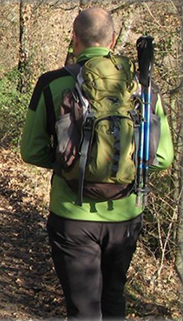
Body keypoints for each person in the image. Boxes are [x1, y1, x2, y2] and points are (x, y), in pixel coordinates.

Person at [20, 8, 174, 320]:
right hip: (127, 215)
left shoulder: (51, 84)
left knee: (84, 307)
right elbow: (162, 157)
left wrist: (72, 165)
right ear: (113, 40)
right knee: (114, 298)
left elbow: (30, 151)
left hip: (72, 215)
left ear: (74, 38)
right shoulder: (142, 87)